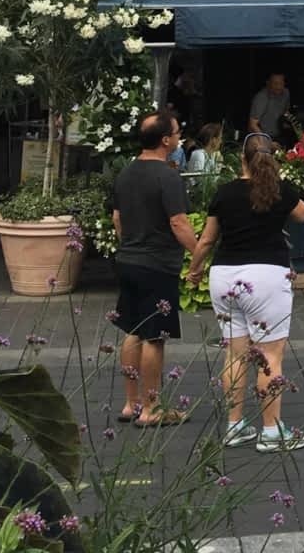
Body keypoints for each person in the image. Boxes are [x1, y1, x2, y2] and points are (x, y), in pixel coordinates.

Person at [188, 132, 304, 452]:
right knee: (270, 356)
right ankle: (270, 432)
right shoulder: (279, 190)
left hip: (224, 275)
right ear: (272, 158)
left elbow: (206, 240)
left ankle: (234, 426)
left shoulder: (225, 192)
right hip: (267, 275)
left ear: (241, 159)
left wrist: (194, 270)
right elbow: (303, 214)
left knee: (234, 353)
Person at [112, 113, 198, 426]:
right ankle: (151, 410)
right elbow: (178, 222)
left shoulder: (125, 173)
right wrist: (199, 253)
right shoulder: (167, 176)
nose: (179, 137)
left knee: (132, 330)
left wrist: (131, 245)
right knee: (154, 336)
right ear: (165, 140)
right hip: (157, 264)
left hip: (128, 260)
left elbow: (117, 219)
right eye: (177, 132)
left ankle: (130, 403)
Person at [247, 73, 292, 140]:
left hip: (279, 135)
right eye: (275, 83)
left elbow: (286, 111)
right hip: (261, 137)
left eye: (281, 83)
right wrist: (267, 141)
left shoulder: (286, 93)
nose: (279, 87)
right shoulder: (261, 98)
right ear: (268, 83)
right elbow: (252, 124)